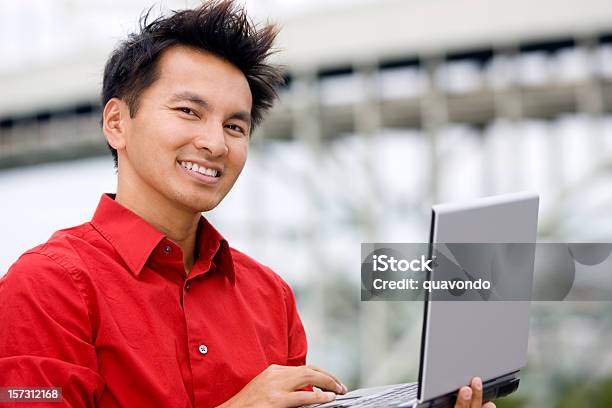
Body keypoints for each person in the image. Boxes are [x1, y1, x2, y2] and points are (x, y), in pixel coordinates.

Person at [0, 1, 494, 407]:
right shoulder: (47, 288)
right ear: (116, 123)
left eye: (235, 126)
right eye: (189, 111)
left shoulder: (269, 295)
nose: (215, 144)